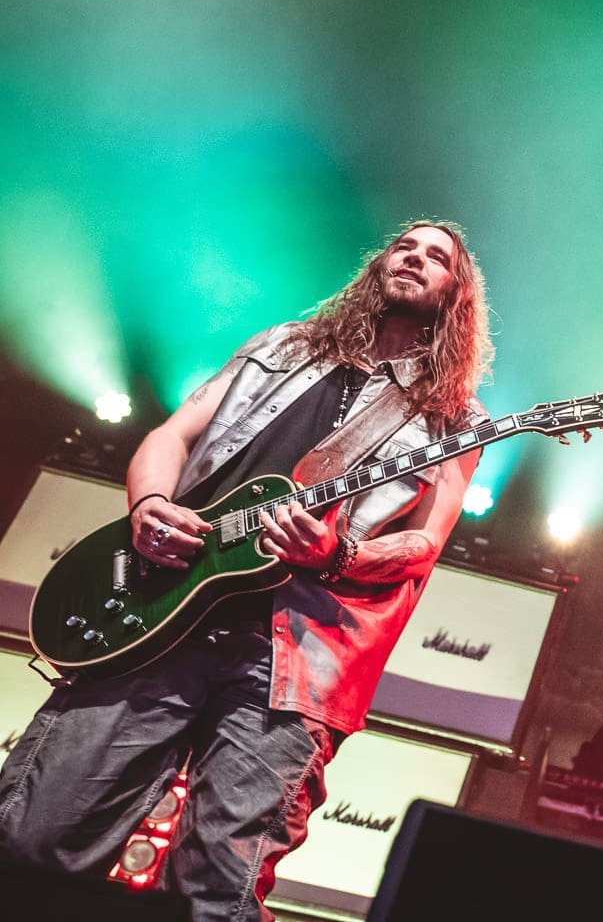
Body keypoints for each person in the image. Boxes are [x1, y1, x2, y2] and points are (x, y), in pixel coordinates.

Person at [0, 221, 492, 921]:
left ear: (455, 295)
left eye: (436, 257)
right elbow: (171, 434)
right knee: (35, 834)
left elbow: (424, 544)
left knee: (217, 894)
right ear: (379, 263)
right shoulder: (283, 346)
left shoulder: (454, 416)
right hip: (165, 613)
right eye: (404, 246)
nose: (415, 258)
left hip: (296, 659)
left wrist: (336, 553)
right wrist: (149, 505)